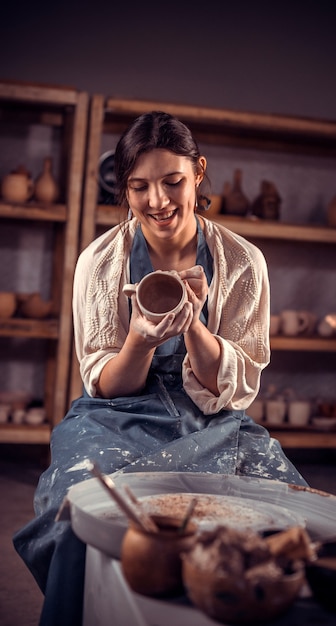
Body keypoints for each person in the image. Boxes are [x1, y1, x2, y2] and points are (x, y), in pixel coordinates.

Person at [13, 110, 307, 625]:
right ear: (124, 191)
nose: (158, 201)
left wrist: (194, 326)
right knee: (76, 521)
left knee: (284, 525)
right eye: (139, 187)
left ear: (198, 173)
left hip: (211, 420)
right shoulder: (100, 262)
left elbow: (233, 391)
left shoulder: (242, 263)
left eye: (172, 182)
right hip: (114, 417)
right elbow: (104, 384)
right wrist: (139, 342)